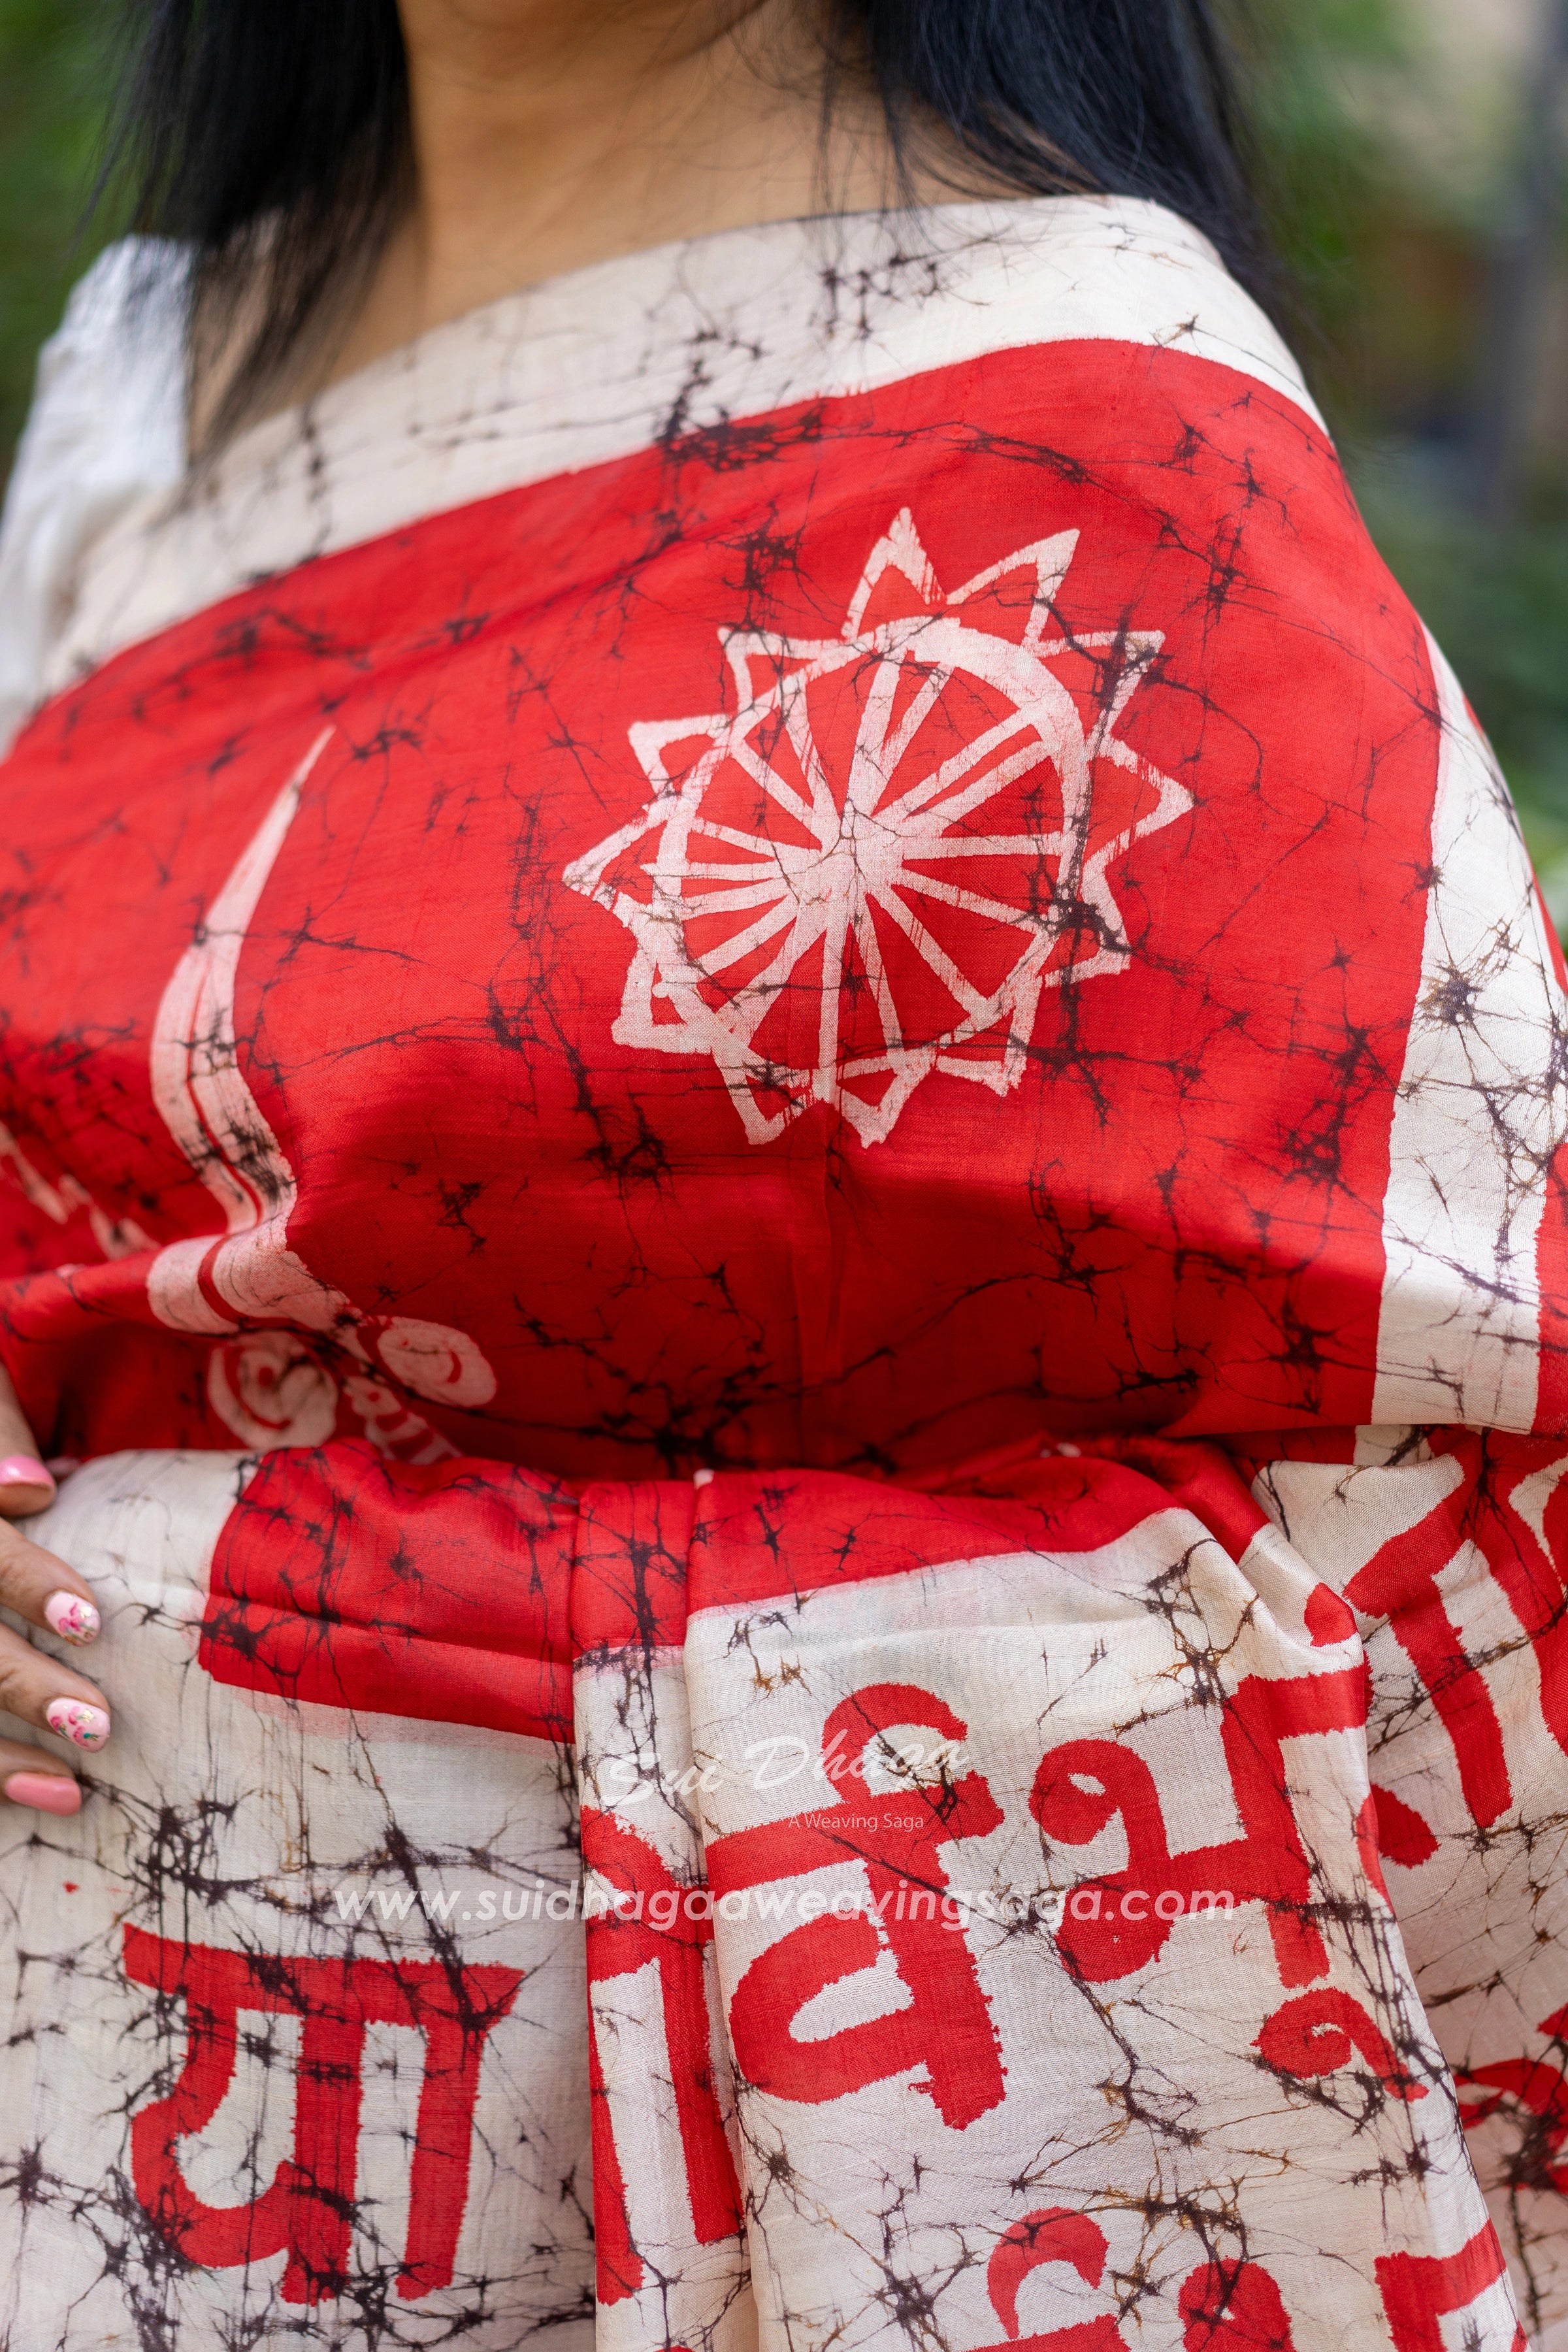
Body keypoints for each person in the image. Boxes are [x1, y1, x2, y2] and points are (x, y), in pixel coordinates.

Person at [0, 1, 1564, 2344]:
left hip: (822, 2212)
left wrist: (412, 1634)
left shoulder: (1101, 415)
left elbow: (1455, 1505)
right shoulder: (147, 389)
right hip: (101, 2141)